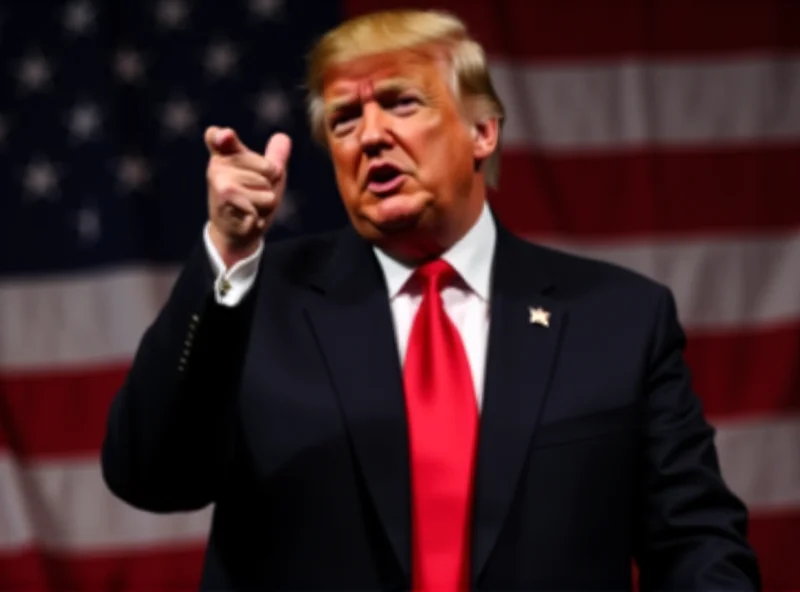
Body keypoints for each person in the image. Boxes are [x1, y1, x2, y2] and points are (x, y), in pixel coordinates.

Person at [100, 8, 761, 592]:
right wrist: (227, 251)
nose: (371, 135)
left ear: (483, 132)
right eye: (345, 119)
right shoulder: (255, 299)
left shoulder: (620, 319)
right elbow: (151, 477)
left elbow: (694, 542)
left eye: (401, 102)